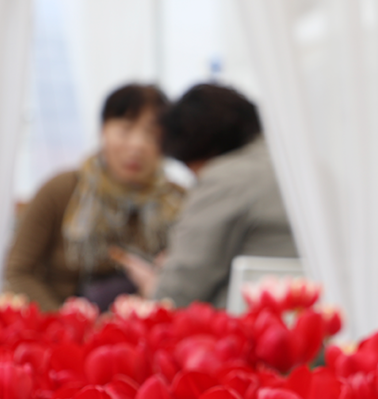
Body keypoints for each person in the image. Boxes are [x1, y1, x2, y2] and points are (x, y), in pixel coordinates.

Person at [3, 84, 185, 310]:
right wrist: (65, 322)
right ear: (103, 130)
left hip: (145, 326)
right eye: (125, 129)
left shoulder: (179, 200)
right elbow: (19, 271)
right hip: (61, 327)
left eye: (152, 134)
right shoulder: (61, 190)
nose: (137, 145)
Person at [116, 83, 295, 307]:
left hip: (246, 325)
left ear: (202, 149)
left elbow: (176, 293)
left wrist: (154, 284)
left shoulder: (225, 178)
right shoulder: (299, 166)